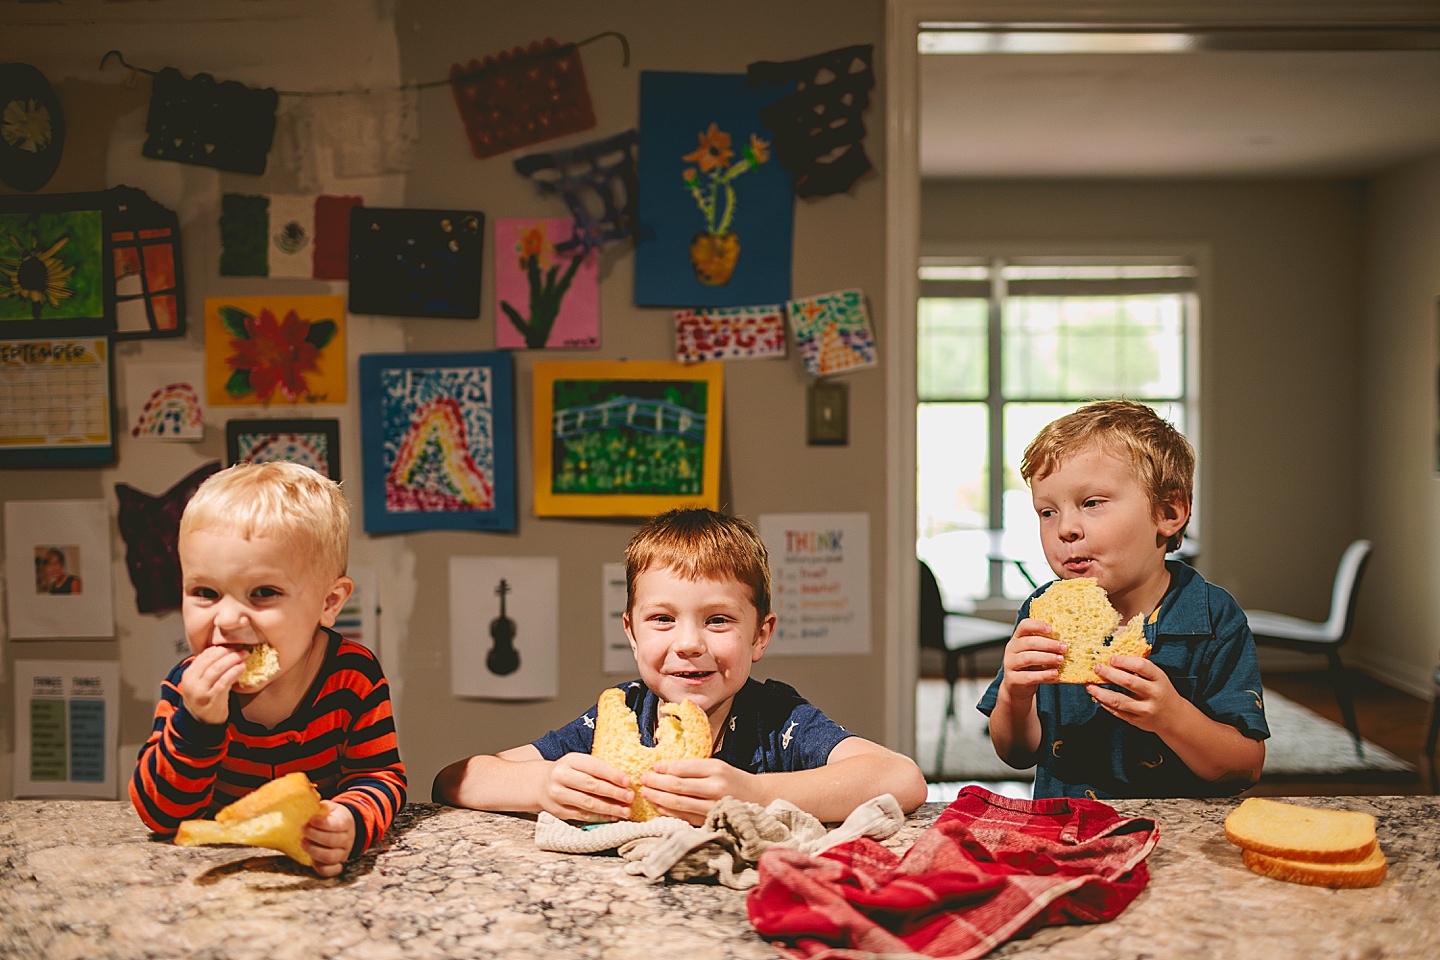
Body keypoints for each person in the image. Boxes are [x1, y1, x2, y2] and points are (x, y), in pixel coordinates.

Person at [433, 507, 927, 824]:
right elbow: (455, 779)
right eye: (663, 619)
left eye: (717, 620)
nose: (689, 644)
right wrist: (543, 785)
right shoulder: (619, 719)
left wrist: (754, 793)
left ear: (760, 635)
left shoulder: (776, 720)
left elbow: (900, 778)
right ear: (630, 632)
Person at [979, 399, 1268, 799]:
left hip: (1177, 841)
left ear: (1168, 511)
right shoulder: (1041, 612)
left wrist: (1172, 717)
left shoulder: (1212, 615)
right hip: (1067, 838)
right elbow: (1015, 753)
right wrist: (1015, 694)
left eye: (1091, 503)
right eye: (1047, 512)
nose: (1065, 529)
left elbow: (1246, 768)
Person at [129, 461, 406, 876]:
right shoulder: (187, 687)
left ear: (329, 603)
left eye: (262, 593)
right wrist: (198, 723)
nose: (227, 620)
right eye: (205, 592)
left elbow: (380, 776)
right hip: (217, 870)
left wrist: (348, 821)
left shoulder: (353, 676)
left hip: (311, 868)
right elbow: (160, 816)